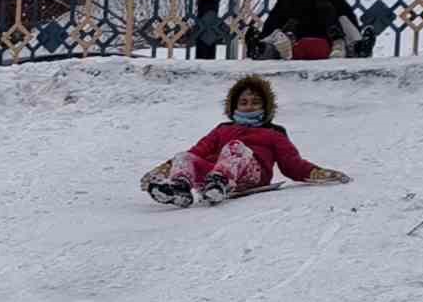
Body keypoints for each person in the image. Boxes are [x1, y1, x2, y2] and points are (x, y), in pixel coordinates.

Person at [144, 74, 352, 207]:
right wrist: (165, 168)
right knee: (185, 155)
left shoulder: (274, 133)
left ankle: (220, 183)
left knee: (234, 146)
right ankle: (180, 188)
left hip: (253, 175)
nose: (249, 106)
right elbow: (198, 151)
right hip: (212, 178)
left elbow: (292, 164)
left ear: (265, 106)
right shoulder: (223, 129)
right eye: (243, 102)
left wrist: (317, 172)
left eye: (255, 102)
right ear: (234, 107)